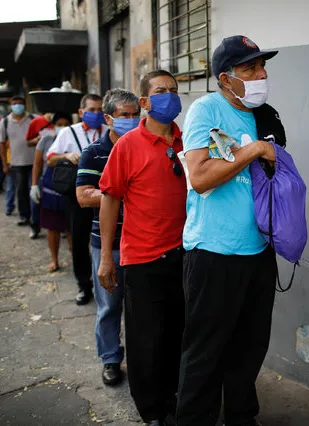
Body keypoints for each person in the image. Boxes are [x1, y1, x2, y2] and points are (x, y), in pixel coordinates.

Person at [176, 36, 279, 426]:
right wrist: (251, 151)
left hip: (258, 250)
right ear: (226, 77)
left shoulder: (265, 115)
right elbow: (200, 178)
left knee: (249, 348)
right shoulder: (206, 110)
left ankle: (241, 417)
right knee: (205, 352)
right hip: (214, 251)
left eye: (262, 66)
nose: (261, 74)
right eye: (250, 68)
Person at [97, 71, 186, 426]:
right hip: (143, 258)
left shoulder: (188, 140)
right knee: (146, 339)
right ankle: (151, 409)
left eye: (174, 91)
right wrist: (106, 257)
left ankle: (175, 395)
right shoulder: (127, 145)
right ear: (145, 102)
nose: (170, 96)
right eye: (161, 91)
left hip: (186, 254)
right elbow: (109, 199)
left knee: (178, 332)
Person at [76, 89, 140, 387]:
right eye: (124, 115)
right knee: (109, 305)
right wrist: (118, 193)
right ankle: (111, 359)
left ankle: (142, 359)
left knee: (142, 307)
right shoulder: (95, 152)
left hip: (143, 241)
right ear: (108, 118)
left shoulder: (144, 147)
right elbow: (84, 196)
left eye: (134, 114)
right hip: (109, 244)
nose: (130, 120)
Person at [47, 94, 107, 305]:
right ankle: (84, 285)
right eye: (92, 109)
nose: (96, 114)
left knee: (107, 238)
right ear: (81, 112)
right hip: (78, 195)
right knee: (79, 240)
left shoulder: (108, 131)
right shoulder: (68, 133)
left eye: (100, 109)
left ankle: (108, 281)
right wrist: (66, 156)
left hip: (105, 193)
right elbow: (50, 158)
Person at [30, 112, 72, 272]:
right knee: (52, 227)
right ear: (53, 125)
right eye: (59, 124)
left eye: (65, 124)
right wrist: (34, 185)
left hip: (69, 188)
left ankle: (76, 257)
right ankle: (54, 260)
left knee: (71, 228)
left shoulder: (73, 139)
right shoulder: (46, 140)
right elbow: (38, 164)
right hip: (50, 188)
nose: (62, 127)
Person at [0, 96, 39, 237]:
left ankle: (37, 219)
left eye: (20, 103)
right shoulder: (4, 122)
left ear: (25, 105)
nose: (17, 106)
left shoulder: (33, 119)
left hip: (34, 161)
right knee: (21, 191)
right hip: (16, 162)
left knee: (35, 190)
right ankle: (24, 216)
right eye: (14, 104)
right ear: (11, 105)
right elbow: (2, 144)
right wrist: (4, 163)